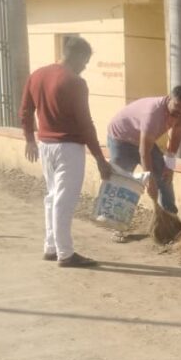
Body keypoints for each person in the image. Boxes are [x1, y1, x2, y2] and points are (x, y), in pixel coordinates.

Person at [20, 36, 111, 267]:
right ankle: (66, 254)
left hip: (45, 145)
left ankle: (51, 247)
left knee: (52, 197)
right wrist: (100, 158)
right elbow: (85, 123)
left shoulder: (37, 75)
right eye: (85, 61)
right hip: (68, 148)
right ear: (77, 56)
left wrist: (29, 139)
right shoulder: (75, 82)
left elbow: (25, 110)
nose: (85, 67)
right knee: (64, 200)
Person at [106, 87, 181, 214]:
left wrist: (170, 165)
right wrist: (149, 180)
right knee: (121, 179)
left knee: (164, 176)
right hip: (121, 138)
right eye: (177, 105)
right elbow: (144, 151)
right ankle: (110, 217)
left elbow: (176, 135)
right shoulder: (154, 113)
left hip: (143, 139)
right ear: (169, 99)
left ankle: (170, 216)